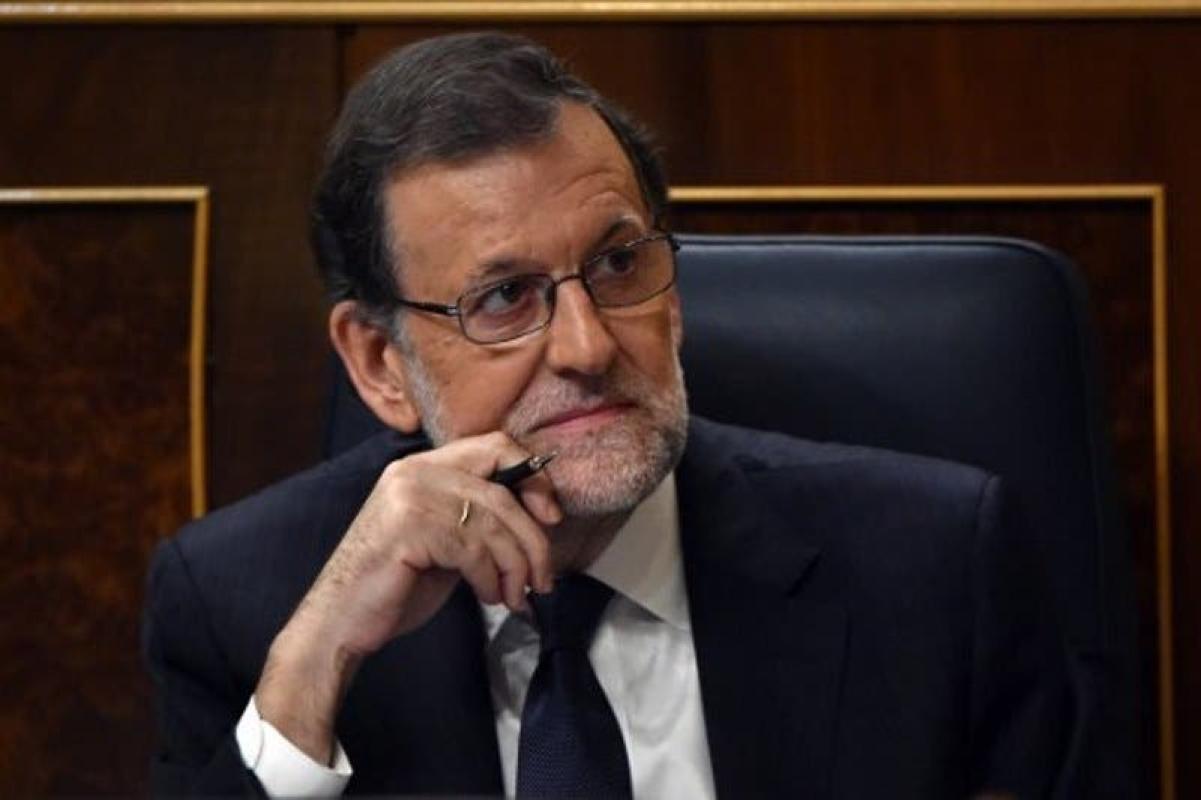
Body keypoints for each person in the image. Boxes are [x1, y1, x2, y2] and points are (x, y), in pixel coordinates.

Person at [143, 31, 1075, 798]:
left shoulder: (935, 568)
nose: (587, 347)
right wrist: (311, 673)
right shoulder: (239, 607)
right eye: (503, 298)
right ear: (380, 364)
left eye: (620, 264)